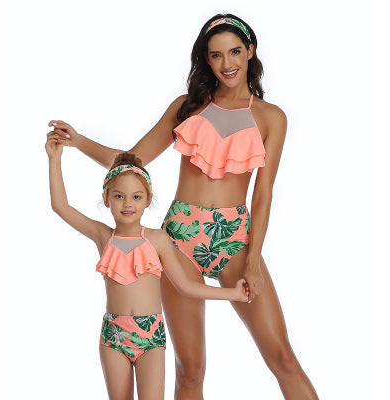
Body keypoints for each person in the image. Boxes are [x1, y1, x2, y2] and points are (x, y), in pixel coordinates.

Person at [48, 13, 319, 400]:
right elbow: (132, 162)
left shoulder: (271, 117)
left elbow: (263, 195)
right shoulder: (187, 107)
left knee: (282, 357)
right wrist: (78, 141)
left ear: (250, 51)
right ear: (206, 59)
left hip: (235, 239)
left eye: (235, 52)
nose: (227, 63)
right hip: (179, 238)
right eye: (216, 55)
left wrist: (253, 261)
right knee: (190, 370)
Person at [45, 140, 249, 400]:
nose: (127, 204)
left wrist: (233, 293)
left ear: (147, 199)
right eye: (119, 196)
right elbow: (60, 206)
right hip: (114, 334)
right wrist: (54, 159)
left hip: (151, 335)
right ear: (106, 199)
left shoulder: (158, 239)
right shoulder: (103, 236)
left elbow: (186, 286)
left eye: (136, 197)